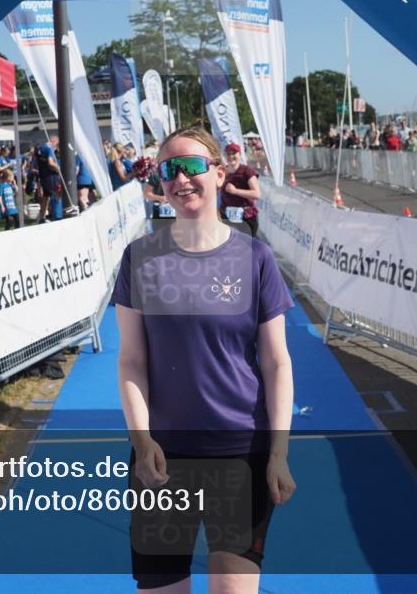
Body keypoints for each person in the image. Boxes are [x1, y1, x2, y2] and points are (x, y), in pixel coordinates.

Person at [113, 126, 295, 594]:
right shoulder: (140, 258)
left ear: (218, 173)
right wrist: (142, 439)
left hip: (242, 456)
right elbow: (132, 361)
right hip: (162, 458)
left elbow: (276, 363)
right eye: (168, 169)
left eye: (192, 166)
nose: (181, 178)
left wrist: (279, 453)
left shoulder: (256, 258)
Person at [220, 142, 261, 236]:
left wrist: (235, 191)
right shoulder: (222, 171)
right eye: (228, 154)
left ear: (240, 154)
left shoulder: (247, 171)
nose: (231, 156)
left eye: (234, 153)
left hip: (246, 217)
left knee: (245, 248)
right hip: (226, 216)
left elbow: (257, 194)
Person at [36, 134, 62, 223]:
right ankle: (57, 215)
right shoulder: (49, 148)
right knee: (56, 194)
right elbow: (50, 163)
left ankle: (42, 217)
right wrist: (58, 167)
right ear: (53, 141)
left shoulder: (41, 147)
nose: (56, 147)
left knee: (46, 196)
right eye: (56, 144)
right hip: (50, 176)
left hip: (43, 174)